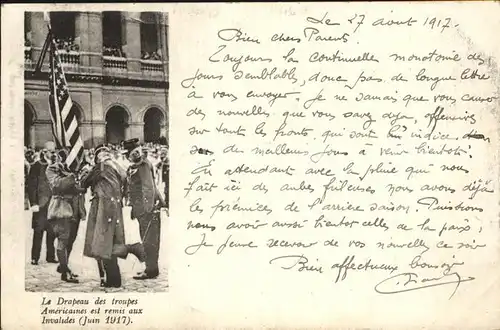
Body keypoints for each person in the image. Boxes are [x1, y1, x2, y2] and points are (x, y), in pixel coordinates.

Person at [81, 144, 145, 288]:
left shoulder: (101, 167)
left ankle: (133, 249)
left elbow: (85, 183)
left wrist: (85, 171)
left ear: (98, 156)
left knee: (102, 243)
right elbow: (126, 182)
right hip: (115, 208)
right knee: (111, 242)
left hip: (103, 208)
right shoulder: (117, 166)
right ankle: (114, 279)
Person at [123, 139, 166, 280]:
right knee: (148, 238)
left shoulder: (143, 165)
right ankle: (151, 268)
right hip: (142, 208)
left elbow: (148, 187)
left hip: (146, 209)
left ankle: (151, 270)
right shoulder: (138, 165)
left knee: (149, 240)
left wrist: (149, 208)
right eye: (131, 153)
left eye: (134, 151)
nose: (133, 154)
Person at [46, 149, 84, 283]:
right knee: (63, 241)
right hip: (62, 208)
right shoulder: (52, 169)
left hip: (75, 210)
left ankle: (64, 266)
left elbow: (78, 188)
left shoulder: (72, 169)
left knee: (70, 241)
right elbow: (58, 185)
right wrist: (73, 176)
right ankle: (64, 271)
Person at [27, 143, 57, 265]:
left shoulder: (56, 166)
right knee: (38, 231)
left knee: (52, 231)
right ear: (44, 152)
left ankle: (50, 256)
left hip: (53, 203)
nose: (53, 154)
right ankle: (35, 257)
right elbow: (31, 186)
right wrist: (33, 202)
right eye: (51, 152)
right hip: (40, 203)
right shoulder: (36, 166)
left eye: (54, 152)